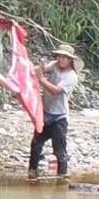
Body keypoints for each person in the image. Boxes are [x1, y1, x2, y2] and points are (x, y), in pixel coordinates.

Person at [29, 44, 83, 177]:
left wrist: (41, 79)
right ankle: (32, 172)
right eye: (59, 56)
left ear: (70, 60)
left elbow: (56, 91)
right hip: (45, 113)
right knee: (36, 145)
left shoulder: (71, 76)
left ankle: (61, 178)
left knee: (59, 152)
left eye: (63, 57)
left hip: (59, 118)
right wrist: (39, 67)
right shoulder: (55, 65)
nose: (60, 59)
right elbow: (43, 69)